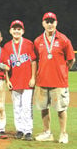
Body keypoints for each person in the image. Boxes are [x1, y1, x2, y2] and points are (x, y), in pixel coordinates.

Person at [34, 12, 75, 144]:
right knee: (43, 108)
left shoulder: (63, 39)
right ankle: (47, 132)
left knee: (61, 109)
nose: (50, 24)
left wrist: (62, 70)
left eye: (52, 21)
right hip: (42, 81)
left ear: (56, 23)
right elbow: (36, 59)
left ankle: (63, 134)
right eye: (47, 21)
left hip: (59, 82)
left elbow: (71, 60)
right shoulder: (38, 41)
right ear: (43, 23)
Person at [4, 20, 36, 141]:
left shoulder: (29, 44)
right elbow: (6, 66)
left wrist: (33, 77)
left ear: (22, 31)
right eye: (14, 29)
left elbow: (33, 61)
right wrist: (7, 81)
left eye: (19, 29)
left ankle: (28, 131)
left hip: (27, 81)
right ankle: (20, 130)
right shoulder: (7, 46)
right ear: (10, 31)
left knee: (27, 107)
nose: (16, 31)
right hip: (14, 81)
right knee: (17, 107)